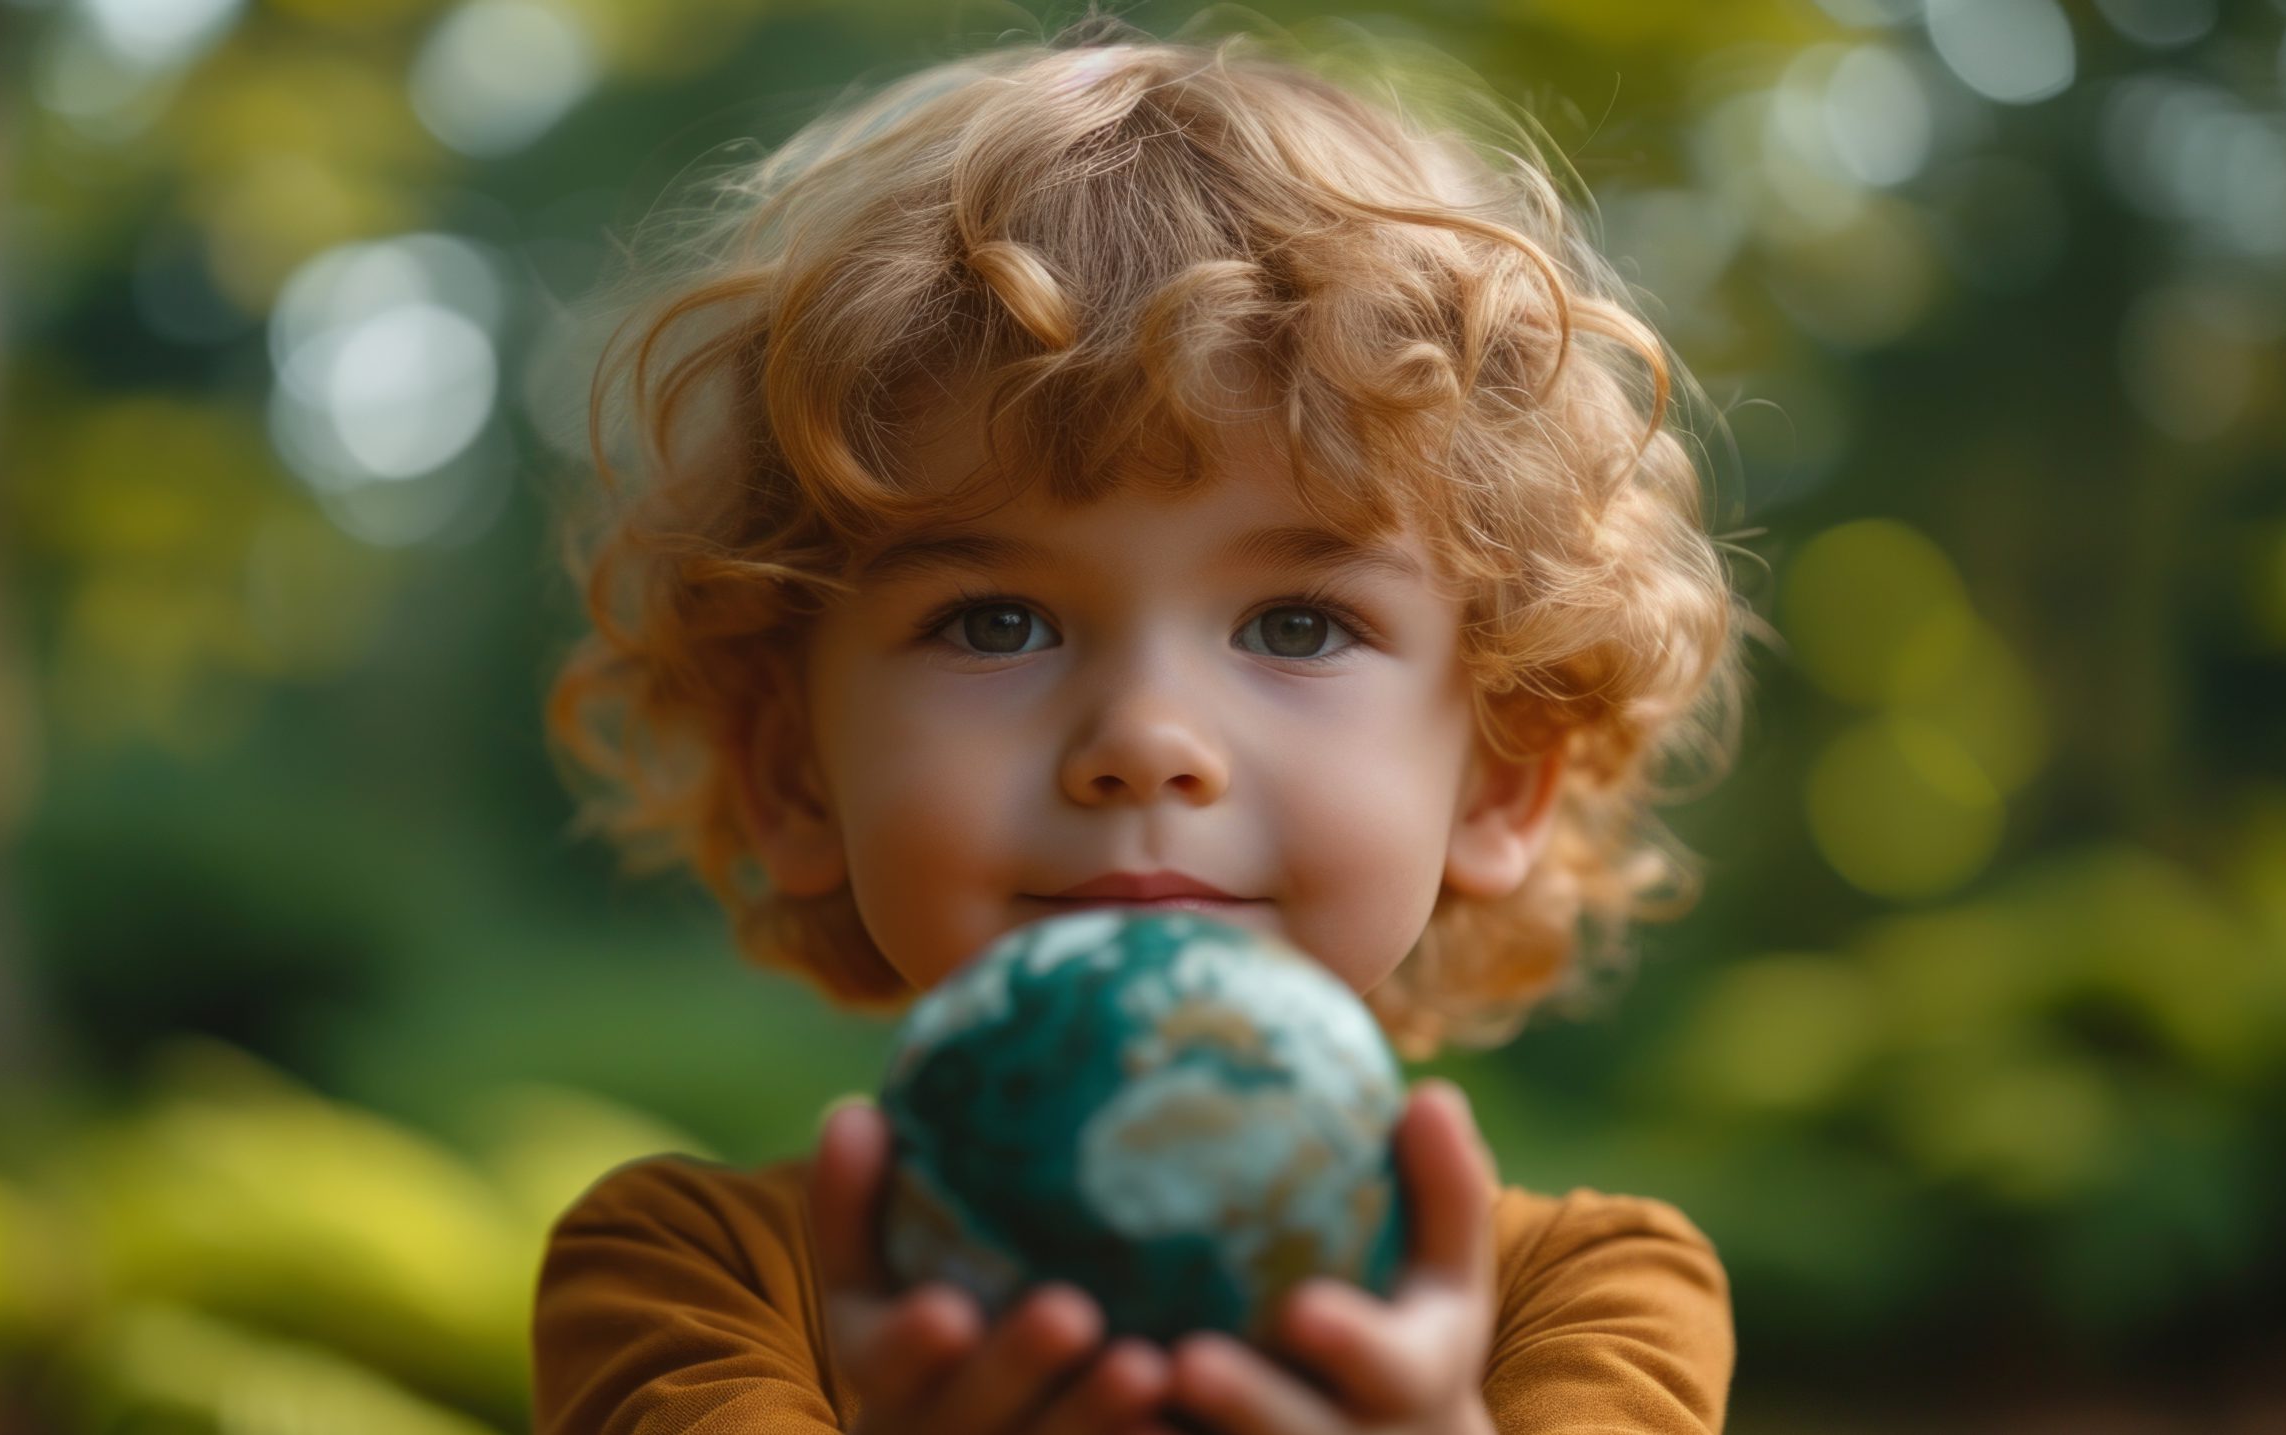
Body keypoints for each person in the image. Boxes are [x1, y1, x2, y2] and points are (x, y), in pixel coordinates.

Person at [531, 12, 1753, 1433]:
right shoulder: (694, 1279)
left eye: (1298, 626)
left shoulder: (1586, 1295)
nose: (1147, 738)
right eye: (996, 622)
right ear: (796, 779)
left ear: (1497, 786)